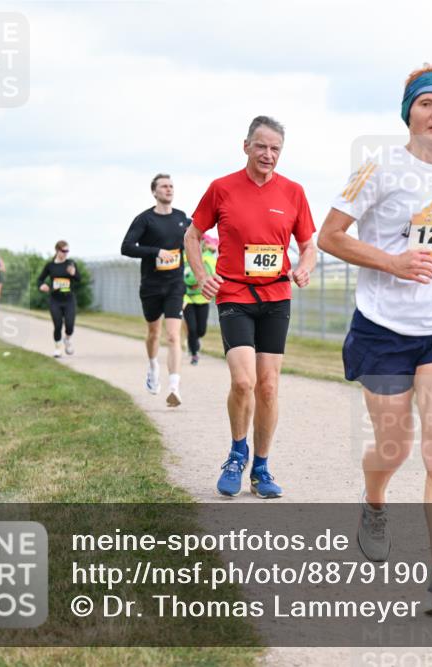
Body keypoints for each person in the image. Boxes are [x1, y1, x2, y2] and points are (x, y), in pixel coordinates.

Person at [317, 65, 432, 615]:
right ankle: (374, 501)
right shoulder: (376, 168)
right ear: (408, 112)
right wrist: (390, 260)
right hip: (384, 329)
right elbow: (329, 236)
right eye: (427, 104)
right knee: (394, 446)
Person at [187, 115, 316, 499]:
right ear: (245, 146)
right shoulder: (222, 189)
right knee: (243, 382)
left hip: (276, 296)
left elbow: (309, 244)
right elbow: (193, 236)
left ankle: (260, 468)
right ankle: (235, 453)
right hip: (235, 295)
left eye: (275, 149)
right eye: (261, 146)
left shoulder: (293, 192)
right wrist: (200, 275)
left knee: (269, 387)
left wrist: (305, 268)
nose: (268, 154)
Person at [121, 173, 189, 407]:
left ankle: (174, 387)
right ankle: (152, 367)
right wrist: (155, 251)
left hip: (175, 285)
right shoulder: (144, 220)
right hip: (151, 285)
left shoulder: (181, 218)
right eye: (164, 186)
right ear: (154, 192)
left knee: (173, 336)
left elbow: (193, 243)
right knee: (154, 333)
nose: (169, 189)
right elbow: (127, 247)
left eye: (171, 186)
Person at [37, 240, 80, 358]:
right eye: (64, 251)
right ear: (57, 250)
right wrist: (41, 285)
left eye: (67, 251)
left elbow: (79, 279)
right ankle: (57, 348)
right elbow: (40, 279)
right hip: (55, 300)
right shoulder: (50, 266)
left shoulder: (70, 264)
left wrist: (73, 273)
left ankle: (67, 339)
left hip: (69, 299)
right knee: (57, 325)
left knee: (70, 325)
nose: (66, 253)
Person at [182, 234, 218, 365]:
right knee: (192, 328)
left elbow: (213, 272)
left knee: (201, 330)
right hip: (187, 299)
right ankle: (194, 353)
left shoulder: (208, 257)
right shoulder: (185, 256)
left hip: (203, 298)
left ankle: (194, 340)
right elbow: (183, 274)